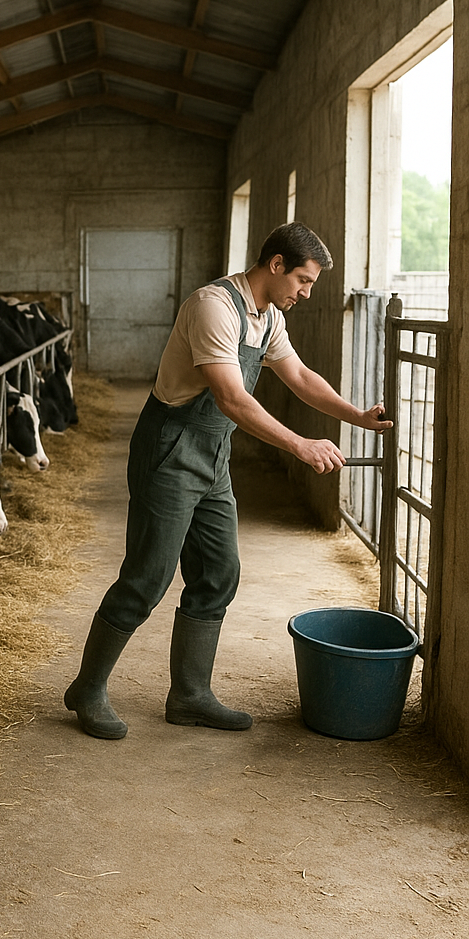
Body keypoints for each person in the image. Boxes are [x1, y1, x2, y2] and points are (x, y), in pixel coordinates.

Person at [64, 221, 393, 739]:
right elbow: (232, 399)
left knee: (219, 571)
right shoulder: (213, 306)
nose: (306, 294)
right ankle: (87, 689)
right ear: (276, 265)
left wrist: (356, 416)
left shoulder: (268, 317)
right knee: (148, 577)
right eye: (303, 281)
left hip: (213, 453)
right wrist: (300, 445)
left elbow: (299, 376)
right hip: (170, 447)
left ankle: (190, 695)